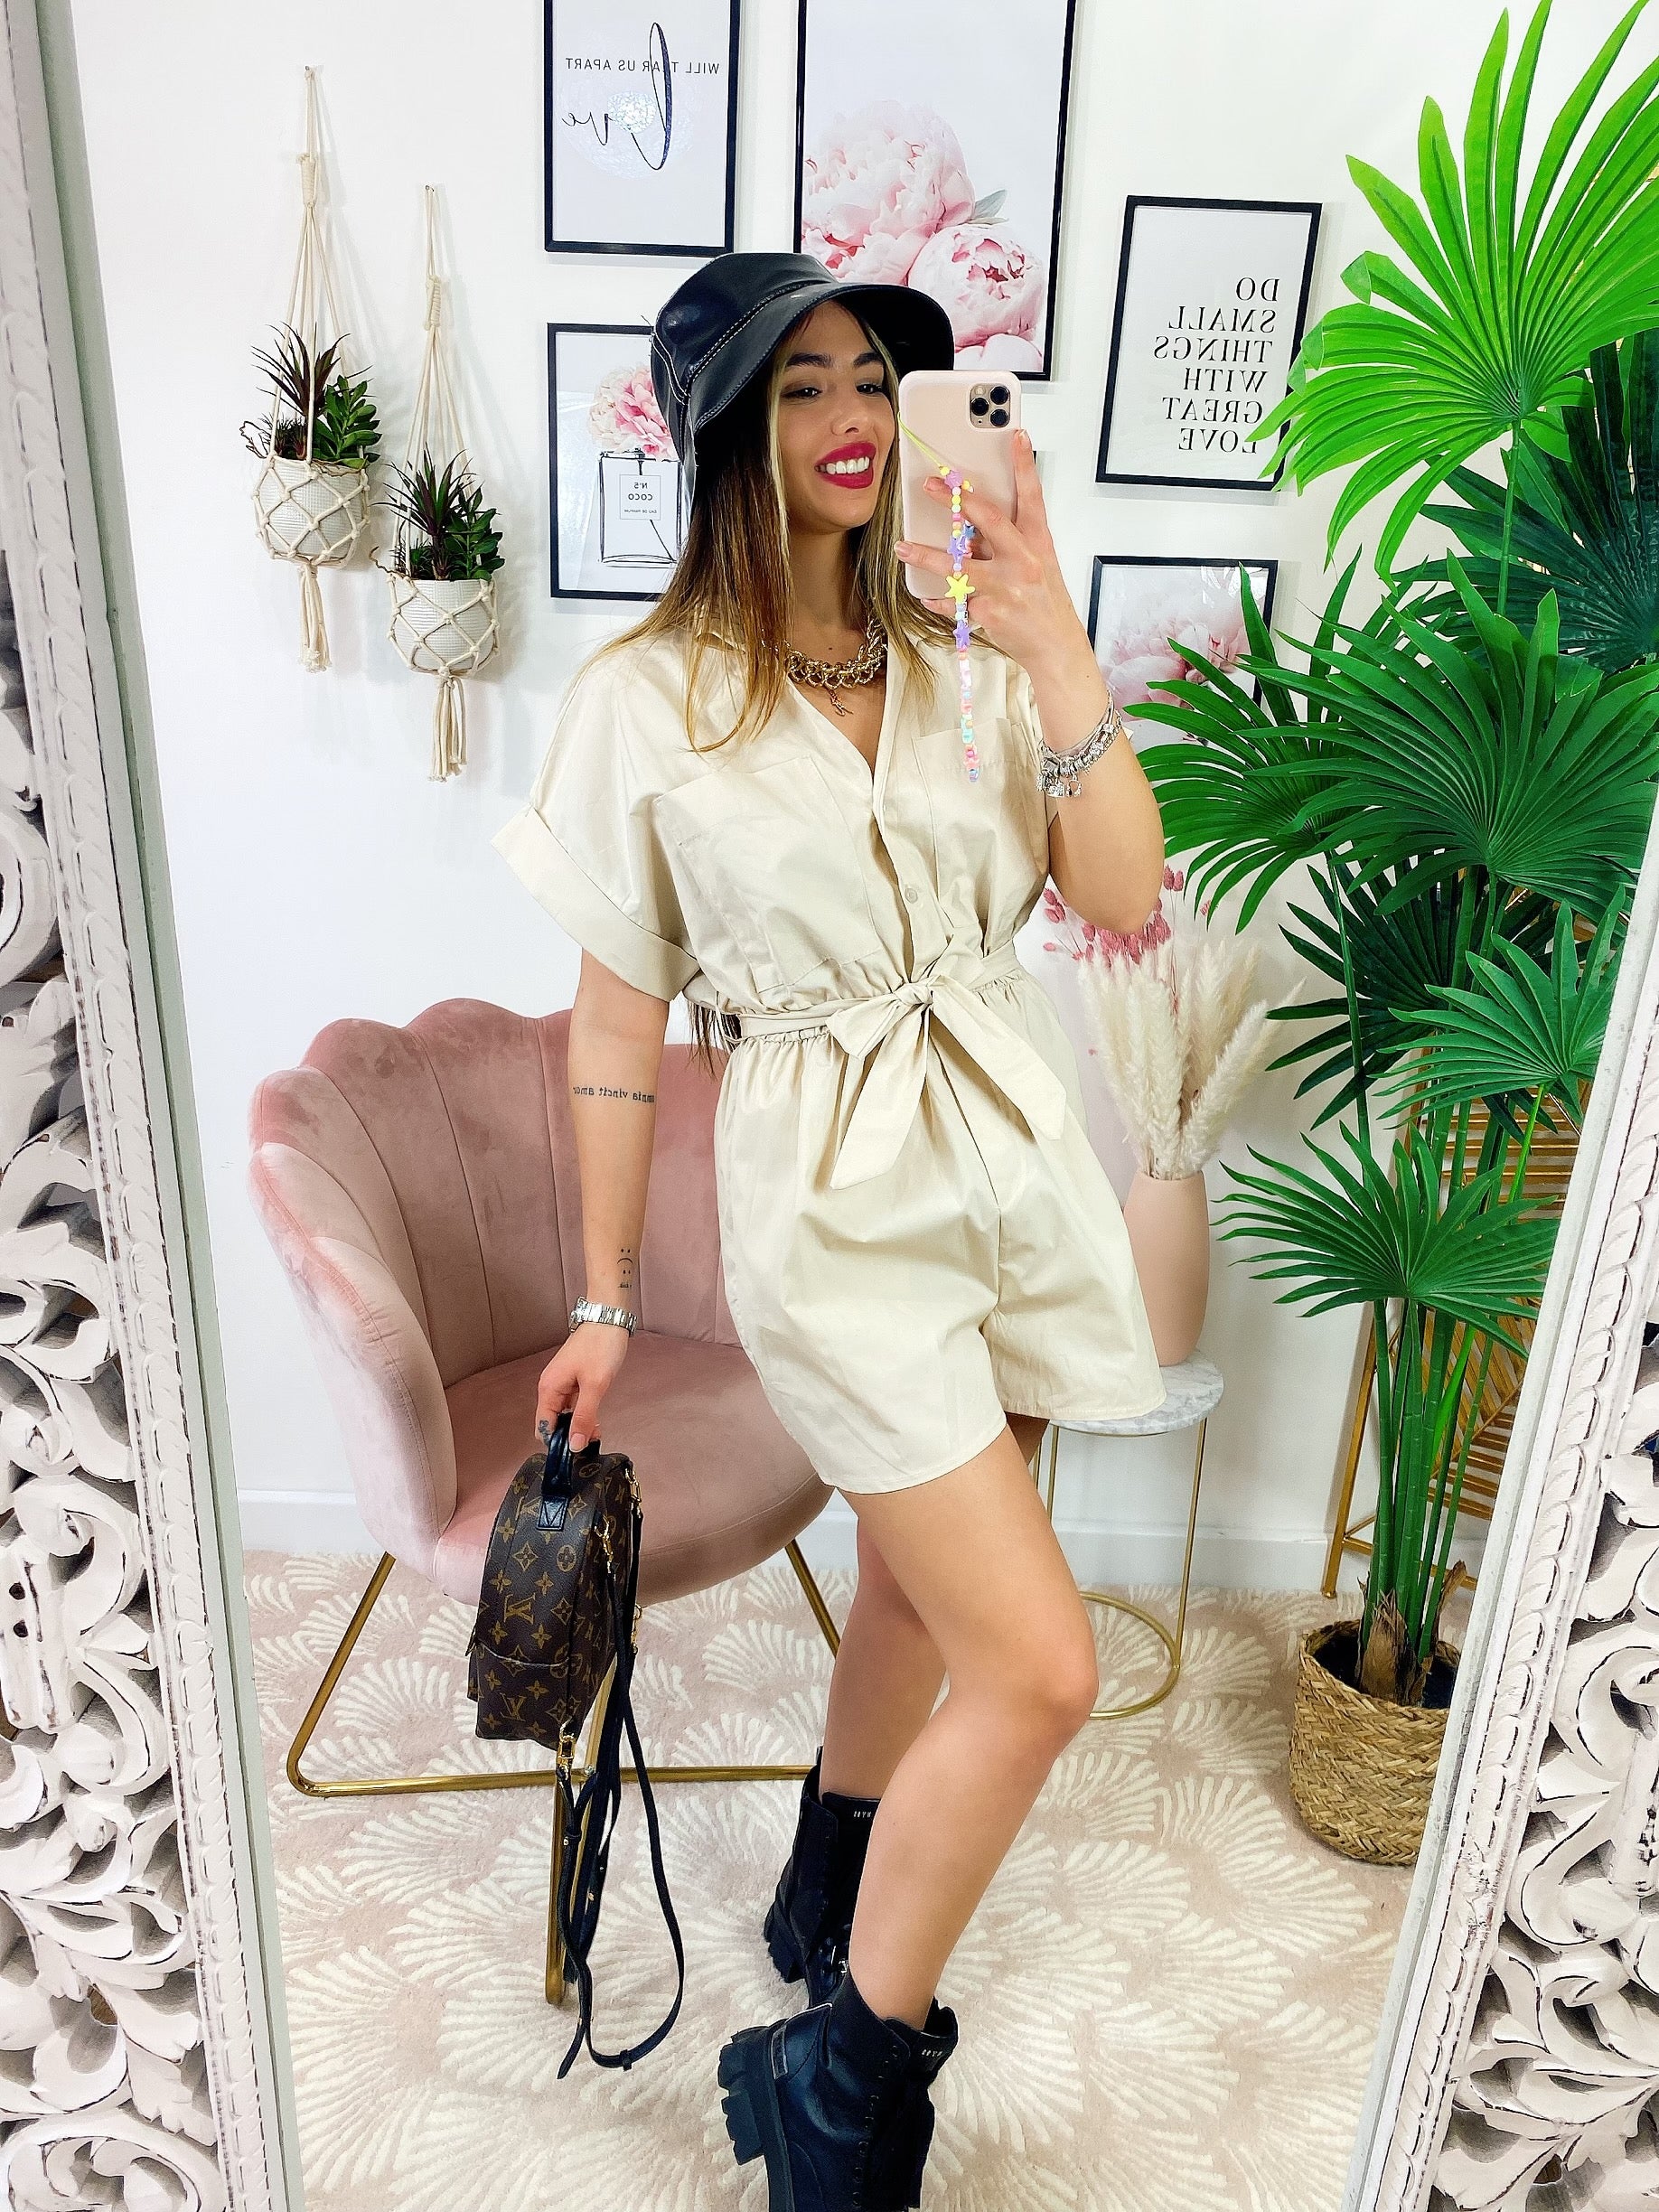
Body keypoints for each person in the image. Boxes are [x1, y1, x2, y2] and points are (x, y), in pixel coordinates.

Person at [492, 250, 1166, 2210]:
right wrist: (607, 1297)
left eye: (875, 377)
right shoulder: (642, 705)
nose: (858, 417)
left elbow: (1121, 894)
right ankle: (842, 2083)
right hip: (836, 1215)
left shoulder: (966, 650)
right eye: (802, 388)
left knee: (917, 1593)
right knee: (1042, 1667)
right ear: (723, 435)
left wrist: (1053, 639)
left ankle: (827, 1880)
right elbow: (615, 1030)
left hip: (1013, 1168)